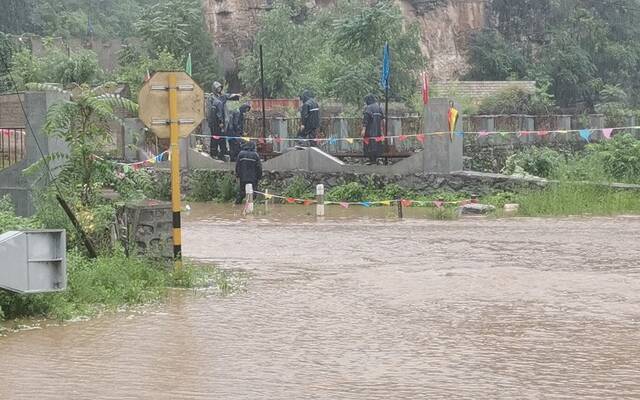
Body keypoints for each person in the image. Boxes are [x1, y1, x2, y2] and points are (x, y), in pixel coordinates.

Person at [208, 81, 241, 160]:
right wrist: (219, 122)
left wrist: (236, 95)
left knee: (222, 138)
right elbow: (212, 111)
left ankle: (223, 152)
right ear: (214, 88)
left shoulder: (222, 96)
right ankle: (214, 152)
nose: (219, 89)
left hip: (223, 120)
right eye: (217, 88)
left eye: (220, 87)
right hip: (215, 122)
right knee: (215, 138)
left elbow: (228, 96)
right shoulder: (211, 98)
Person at [361, 94, 385, 165]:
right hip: (378, 131)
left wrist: (363, 129)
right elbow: (383, 120)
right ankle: (376, 159)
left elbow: (366, 119)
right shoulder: (379, 107)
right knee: (377, 144)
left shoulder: (368, 108)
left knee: (369, 143)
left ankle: (371, 160)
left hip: (370, 130)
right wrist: (382, 129)